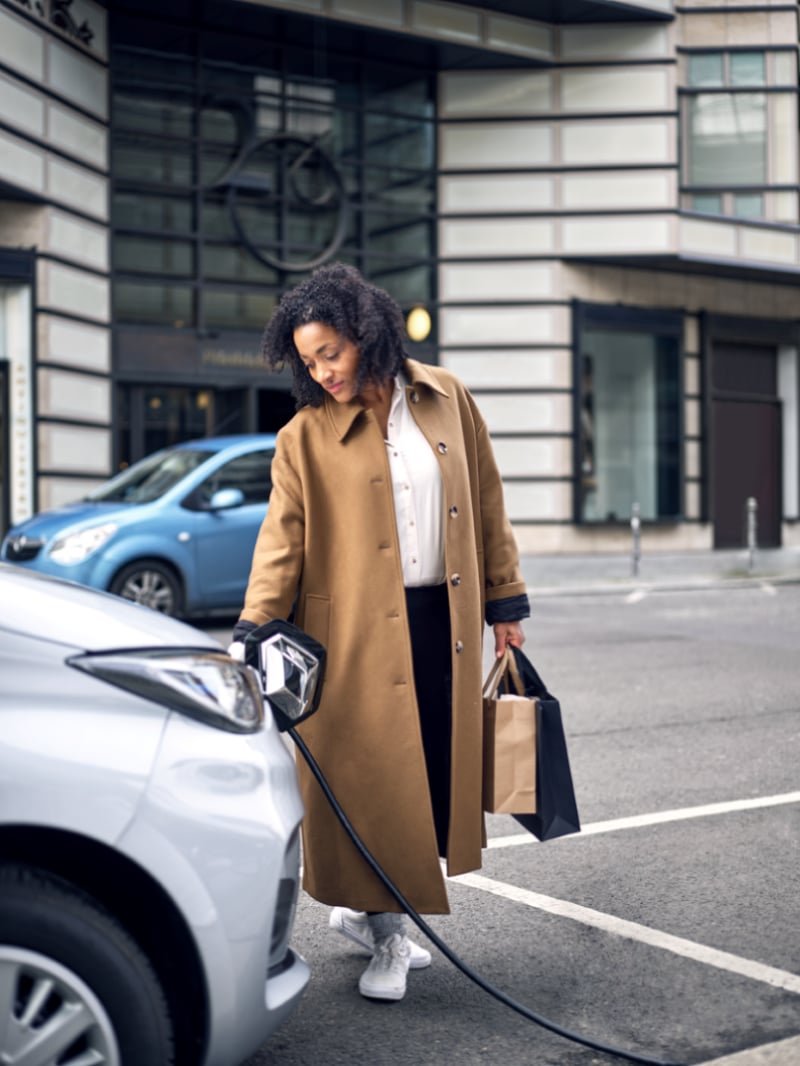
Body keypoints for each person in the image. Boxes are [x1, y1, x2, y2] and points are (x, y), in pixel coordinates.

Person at [229, 263, 529, 1002]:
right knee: (370, 786)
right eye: (307, 360)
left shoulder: (446, 398)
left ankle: (371, 919)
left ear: (366, 333)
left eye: (330, 351)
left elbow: (486, 499)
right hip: (355, 640)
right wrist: (251, 630)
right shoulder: (304, 436)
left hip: (444, 624)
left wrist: (507, 607)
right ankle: (389, 936)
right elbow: (281, 541)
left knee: (427, 778)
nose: (321, 370)